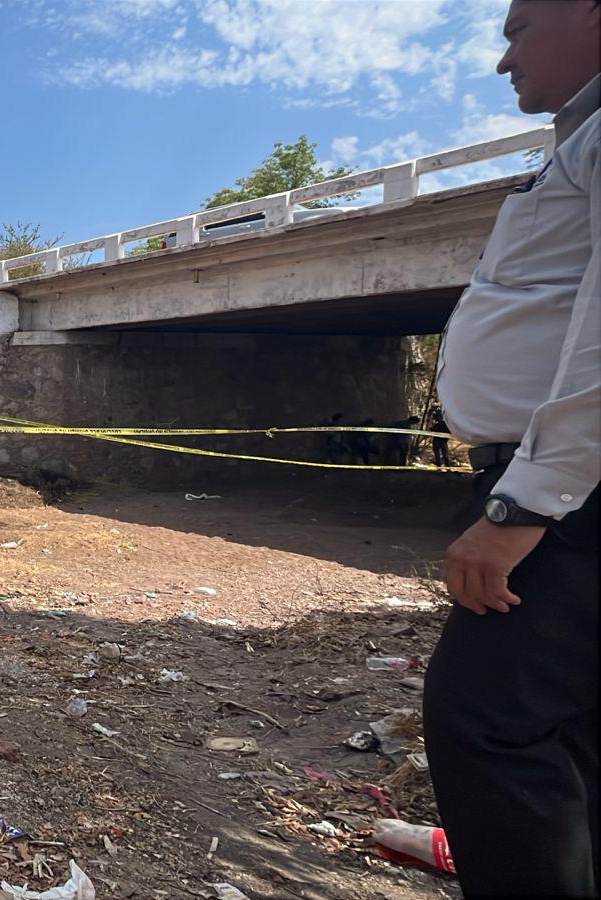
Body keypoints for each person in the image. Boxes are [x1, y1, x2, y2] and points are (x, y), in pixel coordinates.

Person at [424, 0, 600, 895]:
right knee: (570, 730)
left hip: (568, 498)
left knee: (488, 722)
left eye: (518, 29)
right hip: (567, 486)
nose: (503, 61)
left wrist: (522, 503)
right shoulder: (582, 138)